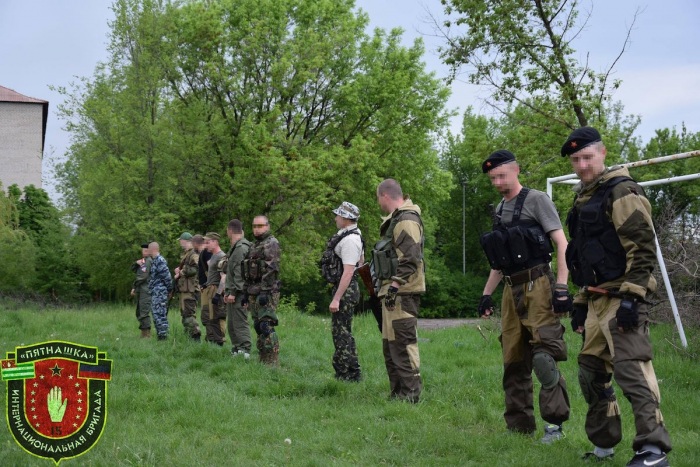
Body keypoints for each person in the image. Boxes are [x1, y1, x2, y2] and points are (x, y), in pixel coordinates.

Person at [562, 127, 672, 466]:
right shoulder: (584, 197)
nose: (581, 165)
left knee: (632, 371)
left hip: (622, 297)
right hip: (595, 299)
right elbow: (587, 256)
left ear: (603, 153)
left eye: (587, 157)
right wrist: (581, 301)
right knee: (591, 373)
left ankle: (653, 450)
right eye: (575, 159)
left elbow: (642, 249)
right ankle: (604, 444)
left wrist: (632, 298)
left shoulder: (622, 191)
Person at [478, 150, 572, 443]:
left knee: (544, 355)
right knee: (513, 358)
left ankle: (554, 426)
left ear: (516, 170)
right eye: (493, 178)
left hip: (538, 285)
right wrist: (486, 294)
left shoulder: (537, 200)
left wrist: (561, 287)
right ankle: (519, 428)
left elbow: (562, 243)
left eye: (502, 176)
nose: (497, 182)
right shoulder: (499, 209)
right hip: (510, 288)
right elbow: (500, 261)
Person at [373, 179, 425, 403]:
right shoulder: (396, 220)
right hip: (393, 293)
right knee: (391, 346)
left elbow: (411, 258)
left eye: (378, 199)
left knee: (403, 344)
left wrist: (394, 286)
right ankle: (397, 395)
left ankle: (411, 396)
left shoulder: (406, 220)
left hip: (402, 293)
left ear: (385, 196)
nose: (378, 203)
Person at [320, 202, 363, 382]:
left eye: (338, 215)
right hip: (345, 288)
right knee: (342, 332)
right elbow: (362, 262)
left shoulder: (350, 240)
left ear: (346, 218)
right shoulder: (350, 235)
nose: (336, 218)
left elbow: (349, 271)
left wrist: (336, 298)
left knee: (341, 333)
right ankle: (350, 373)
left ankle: (347, 375)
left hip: (345, 290)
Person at [242, 215, 281, 365]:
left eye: (260, 226)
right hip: (253, 291)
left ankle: (272, 362)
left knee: (266, 325)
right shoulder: (254, 245)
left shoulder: (271, 243)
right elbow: (248, 271)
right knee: (258, 326)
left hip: (267, 291)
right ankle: (263, 359)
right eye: (254, 226)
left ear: (268, 226)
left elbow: (272, 269)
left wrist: (265, 291)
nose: (257, 229)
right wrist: (246, 292)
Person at [224, 219, 252, 358]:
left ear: (229, 230)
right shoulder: (236, 247)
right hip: (233, 291)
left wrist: (233, 292)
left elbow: (239, 273)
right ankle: (237, 347)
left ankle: (245, 349)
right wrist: (228, 291)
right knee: (232, 323)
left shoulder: (241, 248)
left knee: (240, 321)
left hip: (240, 293)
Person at [174, 232, 202, 342]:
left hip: (190, 290)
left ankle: (196, 338)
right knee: (185, 314)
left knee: (189, 314)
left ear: (186, 241)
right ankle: (189, 337)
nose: (180, 243)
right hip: (185, 289)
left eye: (181, 241)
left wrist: (181, 272)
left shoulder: (193, 253)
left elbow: (196, 268)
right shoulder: (187, 254)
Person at [201, 232, 227, 346]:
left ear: (215, 242)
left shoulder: (221, 256)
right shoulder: (214, 256)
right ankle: (214, 342)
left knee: (217, 317)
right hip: (210, 288)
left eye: (208, 242)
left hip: (216, 289)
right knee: (211, 317)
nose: (206, 245)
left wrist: (218, 294)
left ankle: (220, 342)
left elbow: (224, 277)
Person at [148, 241, 173, 341]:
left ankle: (163, 336)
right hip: (155, 292)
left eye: (149, 249)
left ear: (153, 249)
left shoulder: (160, 260)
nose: (148, 251)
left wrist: (170, 290)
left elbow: (167, 276)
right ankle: (160, 335)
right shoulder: (155, 261)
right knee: (155, 314)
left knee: (160, 314)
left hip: (160, 293)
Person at [130, 242, 152, 338]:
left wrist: (134, 287)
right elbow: (133, 269)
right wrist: (136, 263)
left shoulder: (148, 261)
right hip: (142, 290)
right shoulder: (143, 261)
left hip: (146, 290)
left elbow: (143, 276)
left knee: (143, 312)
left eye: (146, 250)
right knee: (139, 312)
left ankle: (146, 335)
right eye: (143, 250)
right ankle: (144, 333)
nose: (144, 252)